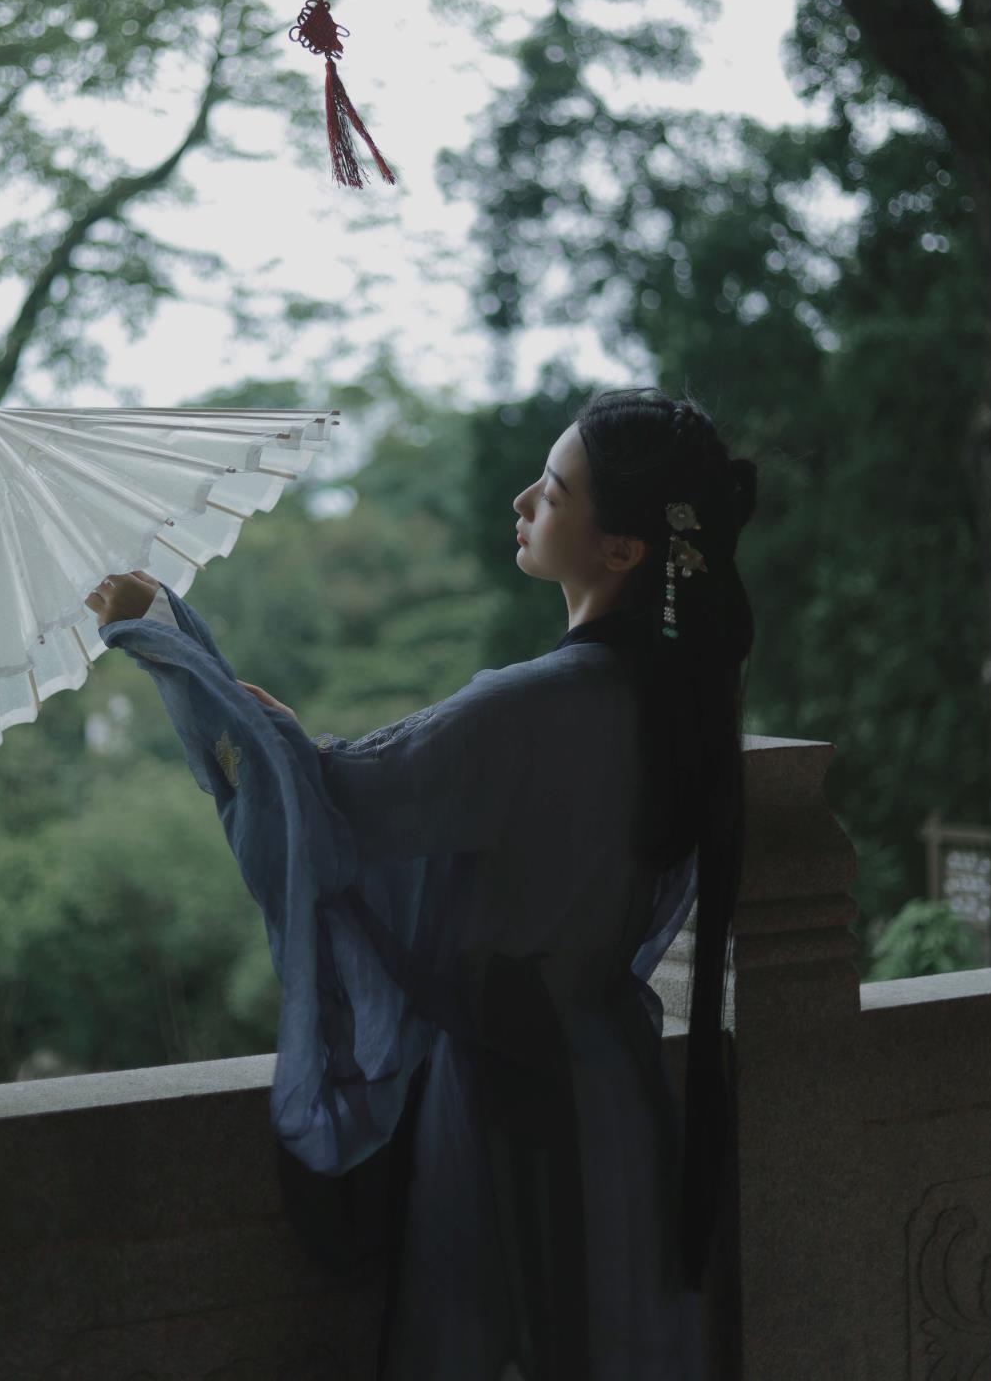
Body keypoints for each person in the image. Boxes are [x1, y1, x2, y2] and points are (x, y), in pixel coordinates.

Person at [85, 385, 757, 1380]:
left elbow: (325, 819)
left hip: (504, 1113)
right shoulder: (678, 707)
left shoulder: (529, 706)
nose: (522, 500)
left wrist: (167, 643)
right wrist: (270, 724)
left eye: (556, 490)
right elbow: (347, 786)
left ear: (620, 548)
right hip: (619, 1095)